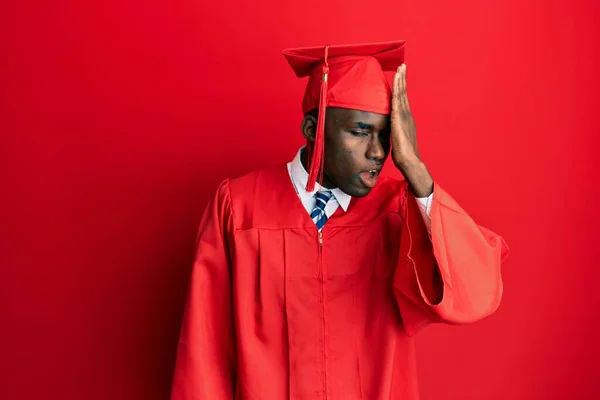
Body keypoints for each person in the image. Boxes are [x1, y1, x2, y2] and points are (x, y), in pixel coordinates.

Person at [170, 40, 509, 400]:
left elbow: (474, 296)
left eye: (386, 136)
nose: (378, 152)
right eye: (360, 131)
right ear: (313, 130)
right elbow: (205, 350)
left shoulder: (399, 210)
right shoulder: (239, 207)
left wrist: (415, 170)